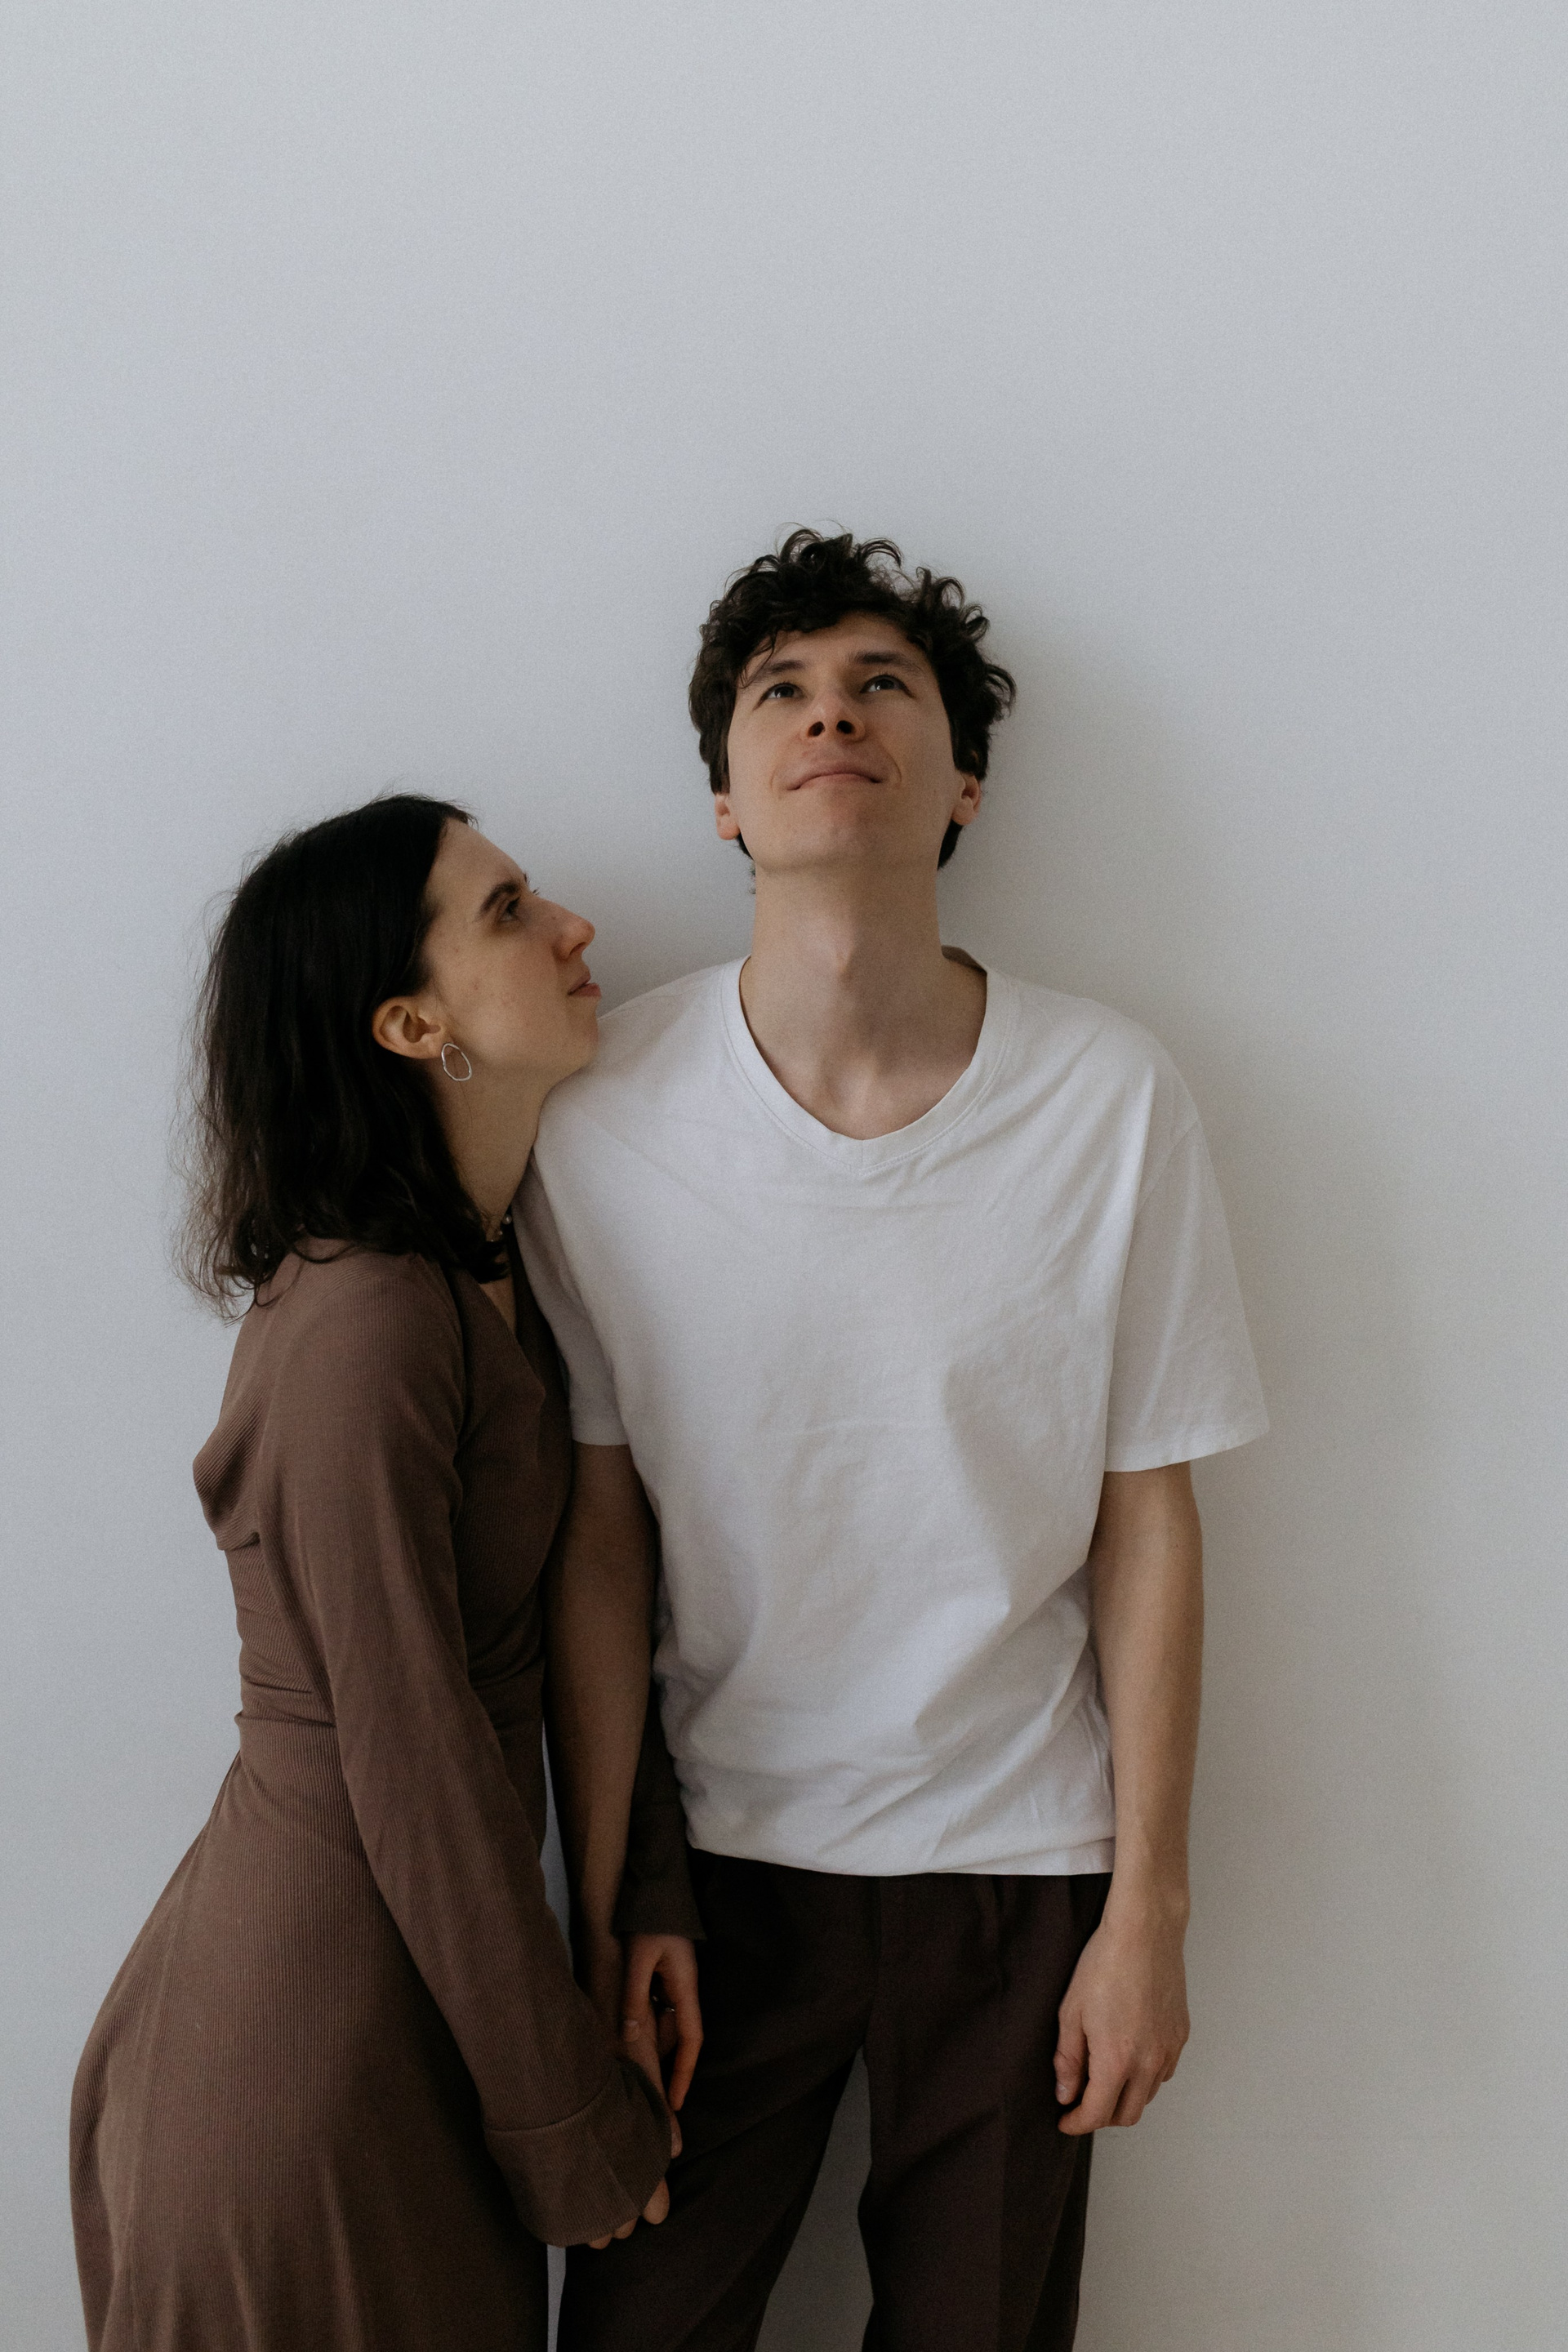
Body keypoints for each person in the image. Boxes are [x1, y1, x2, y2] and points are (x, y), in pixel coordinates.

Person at [517, 532, 1269, 2352]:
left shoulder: (1109, 1097)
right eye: (781, 691)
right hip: (721, 1878)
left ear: (963, 785)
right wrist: (607, 1900)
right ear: (724, 799)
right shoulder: (601, 1119)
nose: (830, 716)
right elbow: (599, 1541)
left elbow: (1149, 1519)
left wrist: (1150, 1912)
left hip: (1020, 1868)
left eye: (881, 686)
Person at [70, 794, 702, 2352]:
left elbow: (578, 1617)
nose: (575, 928)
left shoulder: (484, 1273)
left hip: (410, 2017)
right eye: (508, 911)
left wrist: (639, 1898)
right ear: (413, 1025)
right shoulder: (366, 1324)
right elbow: (413, 1751)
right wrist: (565, 2118)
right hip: (304, 2056)